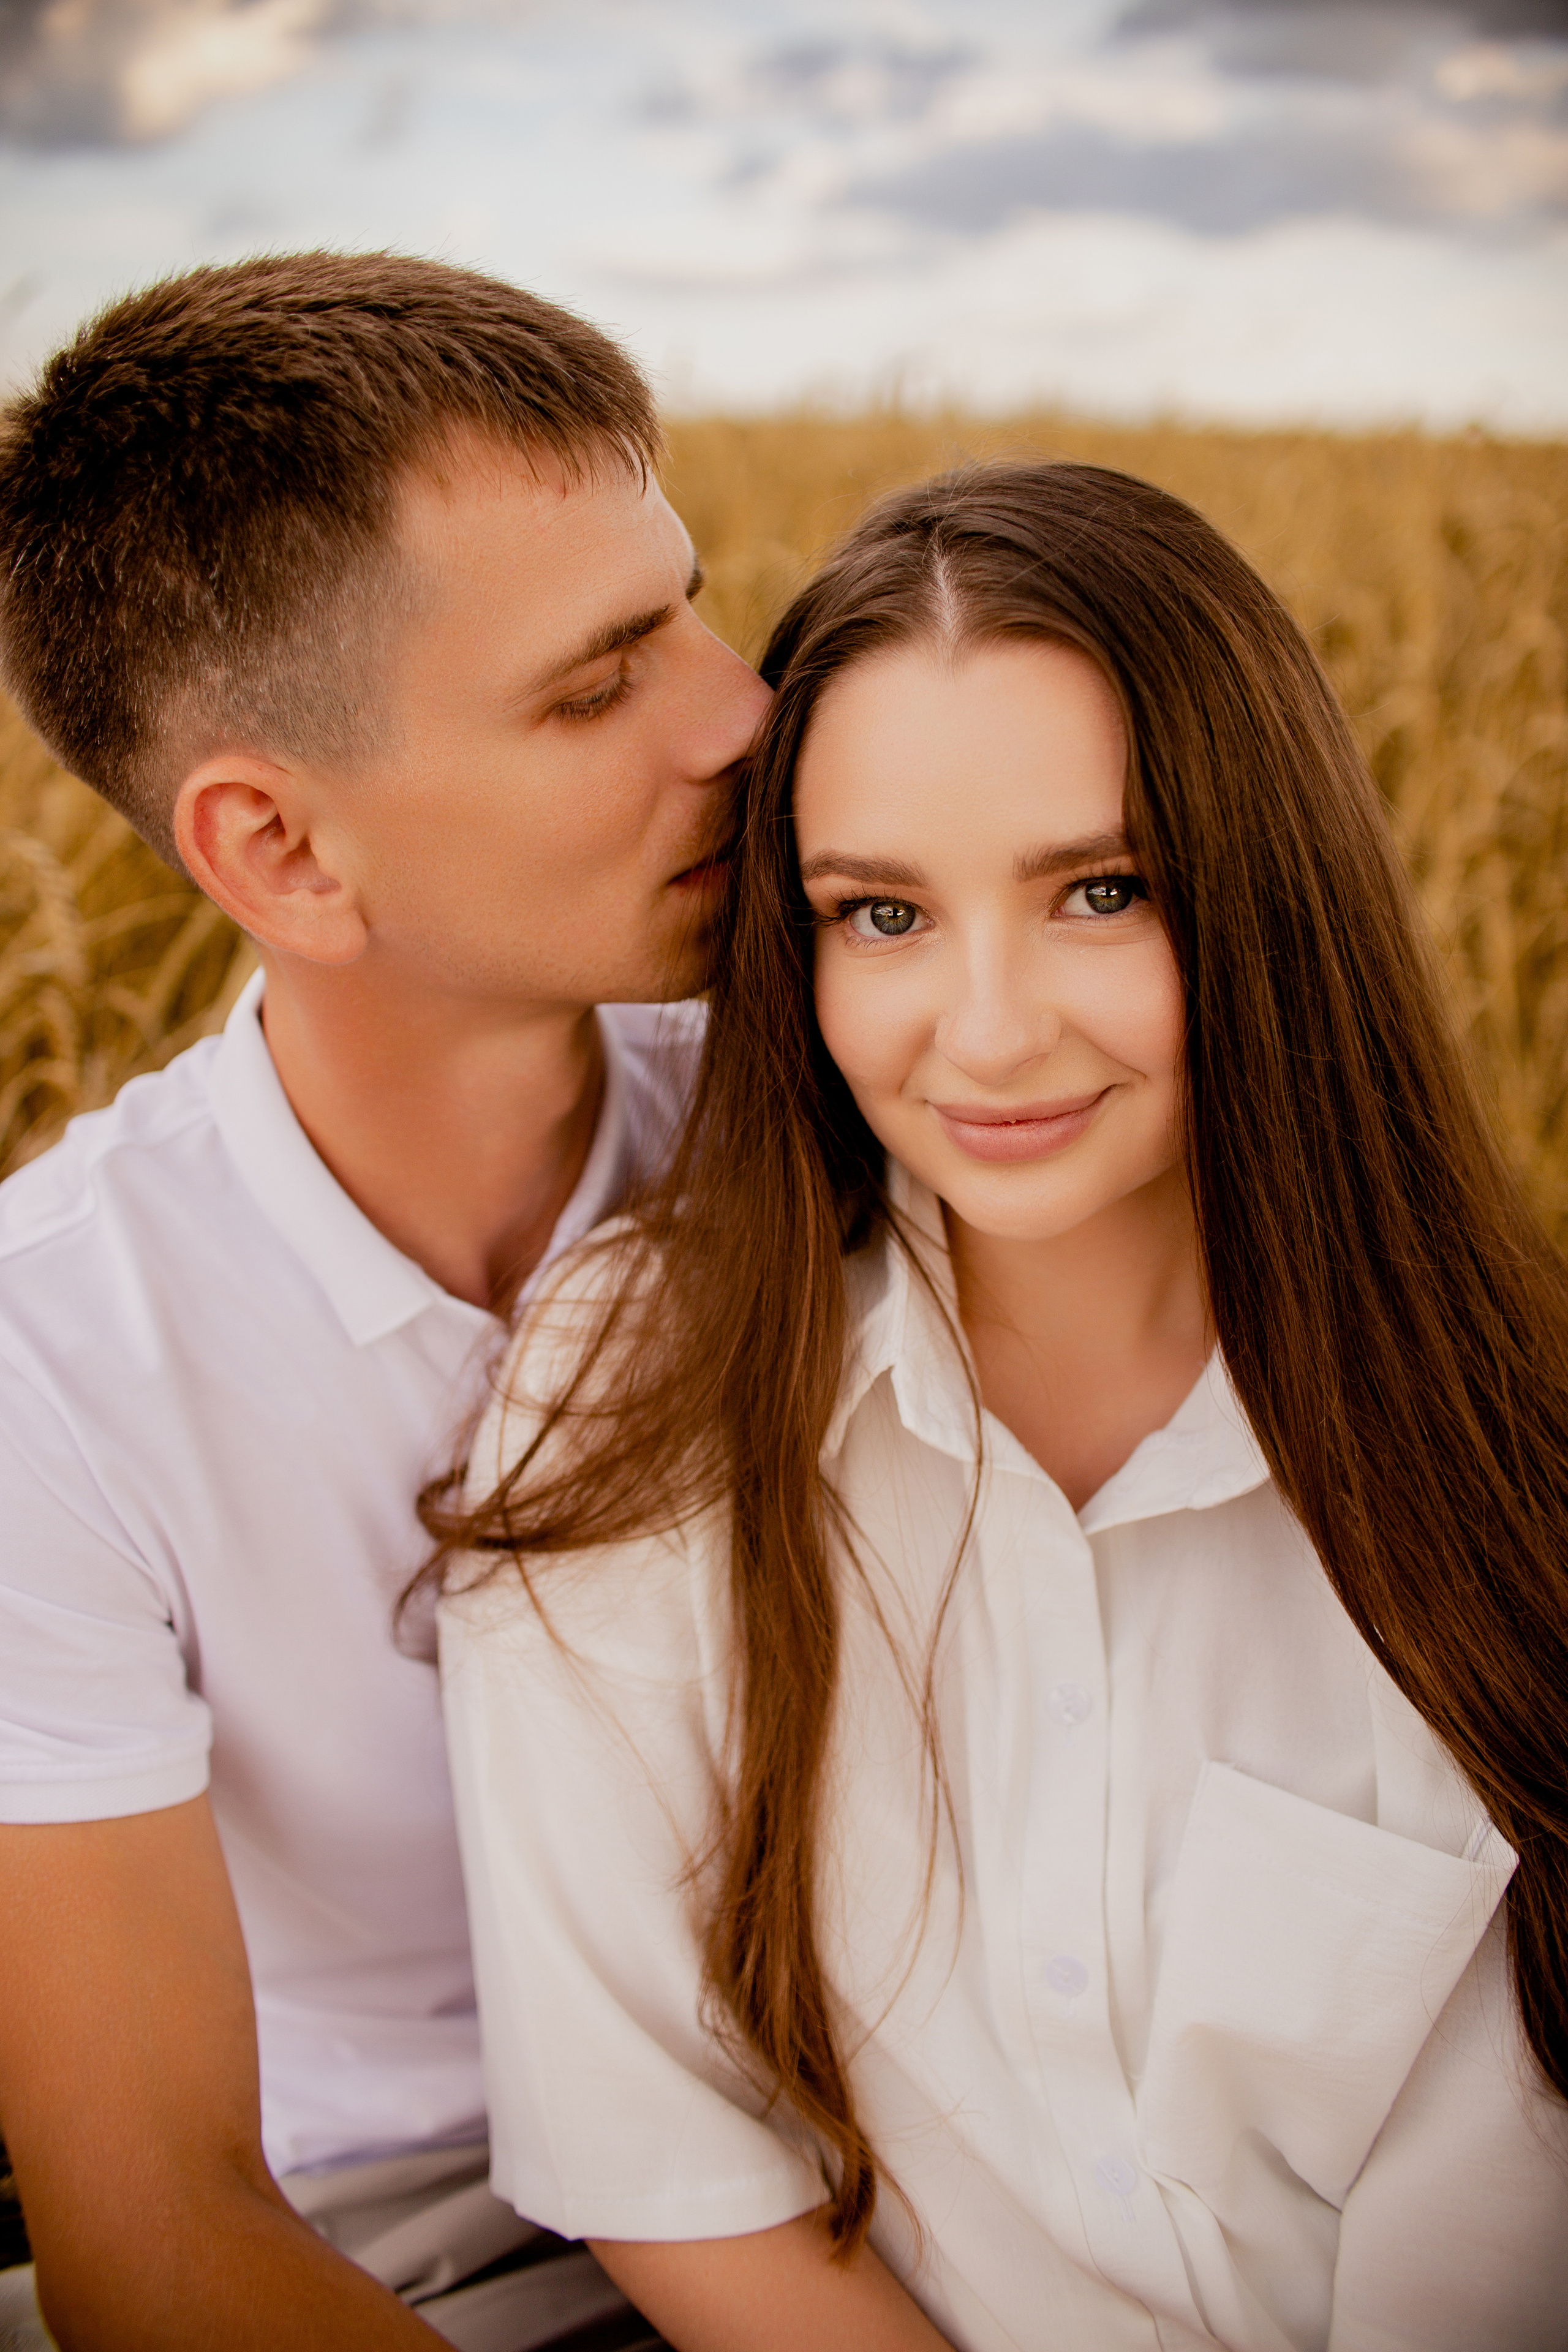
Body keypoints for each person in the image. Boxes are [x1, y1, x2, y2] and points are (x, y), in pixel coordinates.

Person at [434, 461, 1568, 2351]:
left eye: (1100, 892)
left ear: (1266, 893)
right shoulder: (639, 1398)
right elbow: (673, 2167)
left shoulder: (1503, 1454)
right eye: (880, 915)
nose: (986, 1027)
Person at [0, 251, 768, 2349]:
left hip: (909, 2175)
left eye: (688, 603)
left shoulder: (849, 1097)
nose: (742, 711)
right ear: (285, 853)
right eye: (598, 684)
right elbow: (155, 2228)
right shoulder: (46, 1367)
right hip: (405, 2262)